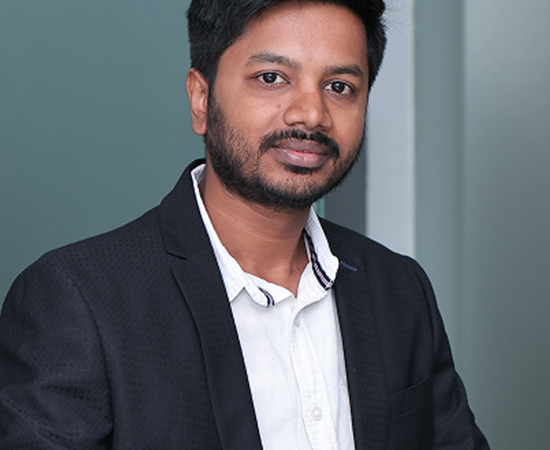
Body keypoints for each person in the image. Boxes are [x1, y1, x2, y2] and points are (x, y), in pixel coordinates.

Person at [0, 0, 490, 448]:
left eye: (339, 87)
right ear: (201, 99)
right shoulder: (79, 300)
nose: (311, 114)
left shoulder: (398, 288)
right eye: (272, 78)